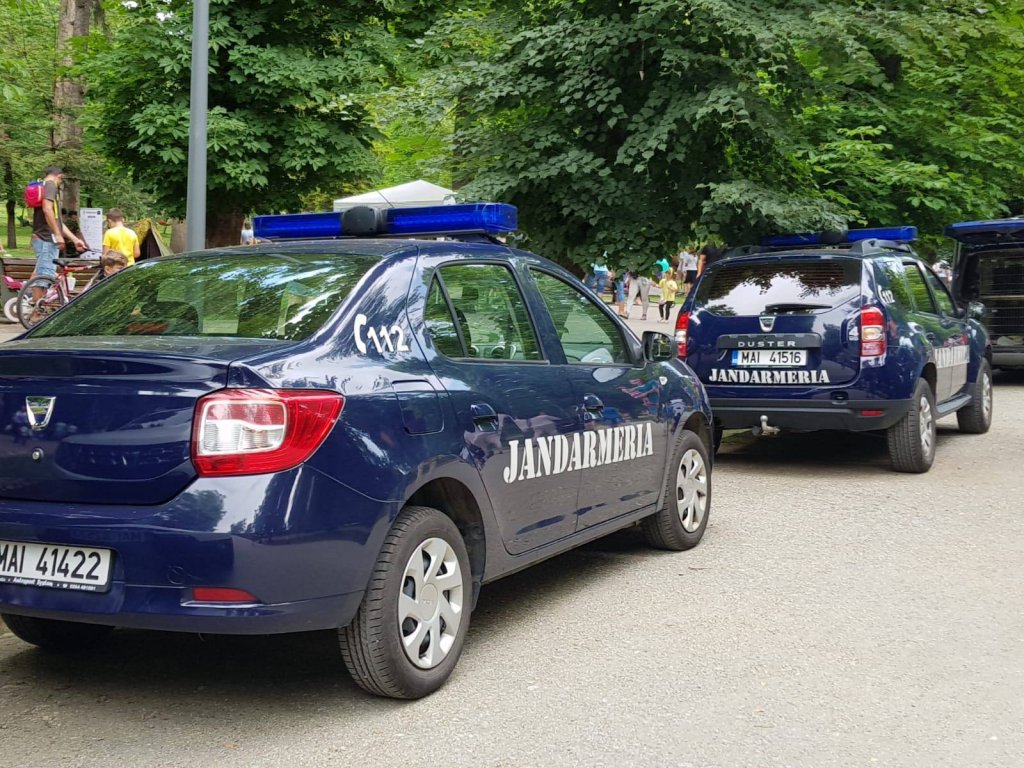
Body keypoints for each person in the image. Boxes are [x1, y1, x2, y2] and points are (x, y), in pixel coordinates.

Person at [31, 166, 86, 288]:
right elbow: (47, 209)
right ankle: (37, 306)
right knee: (43, 279)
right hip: (46, 239)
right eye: (61, 180)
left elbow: (57, 222)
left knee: (40, 275)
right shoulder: (51, 185)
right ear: (59, 176)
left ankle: (33, 304)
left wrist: (75, 239)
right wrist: (57, 235)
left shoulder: (44, 185)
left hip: (43, 239)